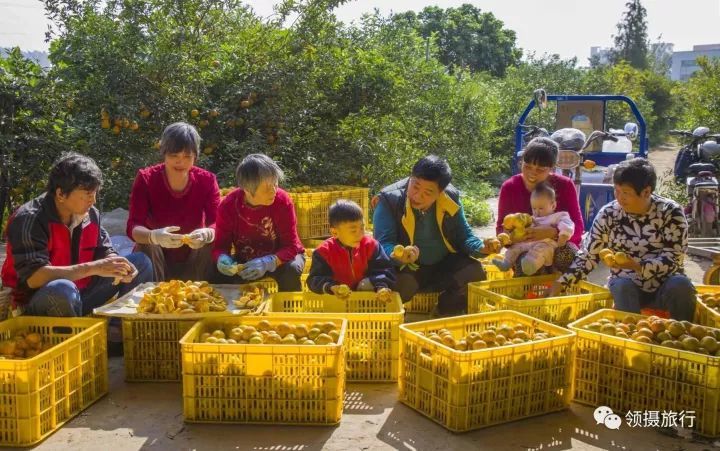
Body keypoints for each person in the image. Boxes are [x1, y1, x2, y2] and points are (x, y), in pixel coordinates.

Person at [1, 152, 153, 317]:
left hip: (80, 295)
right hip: (38, 302)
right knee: (62, 288)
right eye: (87, 193)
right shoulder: (30, 218)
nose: (93, 200)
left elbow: (104, 250)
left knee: (141, 263)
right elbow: (34, 277)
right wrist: (94, 268)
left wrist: (117, 264)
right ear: (60, 194)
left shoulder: (90, 214)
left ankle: (115, 333)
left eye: (95, 192)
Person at [550, 158, 696, 321]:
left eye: (625, 193)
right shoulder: (609, 214)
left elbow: (674, 257)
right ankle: (629, 335)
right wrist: (563, 282)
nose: (619, 198)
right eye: (616, 191)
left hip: (665, 284)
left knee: (681, 285)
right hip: (626, 284)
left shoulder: (670, 212)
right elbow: (589, 255)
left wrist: (636, 266)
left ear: (646, 192)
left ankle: (683, 334)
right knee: (621, 285)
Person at [373, 155, 487, 316]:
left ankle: (444, 312)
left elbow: (465, 236)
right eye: (415, 186)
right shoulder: (390, 199)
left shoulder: (450, 198)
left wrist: (482, 247)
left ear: (440, 192)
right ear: (410, 178)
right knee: (399, 284)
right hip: (407, 269)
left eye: (428, 192)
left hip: (443, 264)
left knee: (474, 272)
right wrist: (398, 255)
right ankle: (392, 321)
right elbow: (382, 243)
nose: (418, 196)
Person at [126, 122, 220, 282]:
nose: (180, 162)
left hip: (194, 257)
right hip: (157, 258)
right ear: (164, 153)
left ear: (195, 157)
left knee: (210, 244)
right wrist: (154, 236)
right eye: (174, 155)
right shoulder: (146, 179)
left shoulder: (207, 180)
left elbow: (218, 222)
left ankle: (197, 295)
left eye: (187, 157)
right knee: (147, 243)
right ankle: (153, 296)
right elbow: (133, 227)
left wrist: (207, 234)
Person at [213, 154, 305, 290]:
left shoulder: (282, 201)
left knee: (291, 270)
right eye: (267, 188)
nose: (274, 191)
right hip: (246, 261)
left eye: (276, 183)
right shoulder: (228, 206)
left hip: (282, 258)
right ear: (248, 190)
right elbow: (220, 247)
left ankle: (288, 308)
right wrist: (222, 259)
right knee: (216, 273)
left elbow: (291, 246)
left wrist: (269, 262)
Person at [496, 137, 584, 273]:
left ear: (552, 168)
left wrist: (554, 233)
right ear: (521, 163)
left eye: (540, 169)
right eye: (528, 166)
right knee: (524, 261)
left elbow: (578, 227)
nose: (532, 173)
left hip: (557, 245)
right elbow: (501, 228)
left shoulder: (565, 185)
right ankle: (529, 291)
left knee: (567, 255)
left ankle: (562, 288)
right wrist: (512, 238)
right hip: (525, 247)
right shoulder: (510, 187)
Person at [308, 200, 395, 299]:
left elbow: (384, 270)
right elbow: (314, 279)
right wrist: (331, 287)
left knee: (366, 285)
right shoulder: (323, 252)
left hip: (366, 300)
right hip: (336, 301)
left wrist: (381, 286)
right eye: (353, 230)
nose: (360, 234)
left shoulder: (371, 245)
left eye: (362, 228)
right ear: (335, 232)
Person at [493, 183, 575, 275]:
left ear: (553, 206)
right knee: (515, 248)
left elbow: (567, 223)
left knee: (540, 251)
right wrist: (514, 230)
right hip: (529, 243)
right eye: (534, 208)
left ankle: (531, 265)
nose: (537, 212)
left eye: (541, 208)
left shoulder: (557, 216)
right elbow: (518, 228)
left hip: (546, 243)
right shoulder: (532, 218)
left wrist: (563, 234)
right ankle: (506, 263)